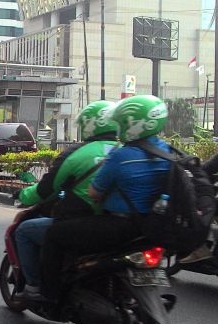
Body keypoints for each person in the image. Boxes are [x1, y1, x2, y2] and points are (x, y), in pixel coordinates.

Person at [39, 95, 172, 302]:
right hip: (155, 226)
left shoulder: (121, 156)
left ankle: (51, 295)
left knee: (54, 234)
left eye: (123, 122)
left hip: (119, 225)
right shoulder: (168, 152)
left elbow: (94, 193)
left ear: (133, 124)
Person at [13, 101, 119, 299]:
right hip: (121, 225)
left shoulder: (77, 154)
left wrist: (23, 195)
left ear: (89, 125)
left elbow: (46, 189)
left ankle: (36, 288)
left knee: (24, 231)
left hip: (85, 223)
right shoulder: (126, 151)